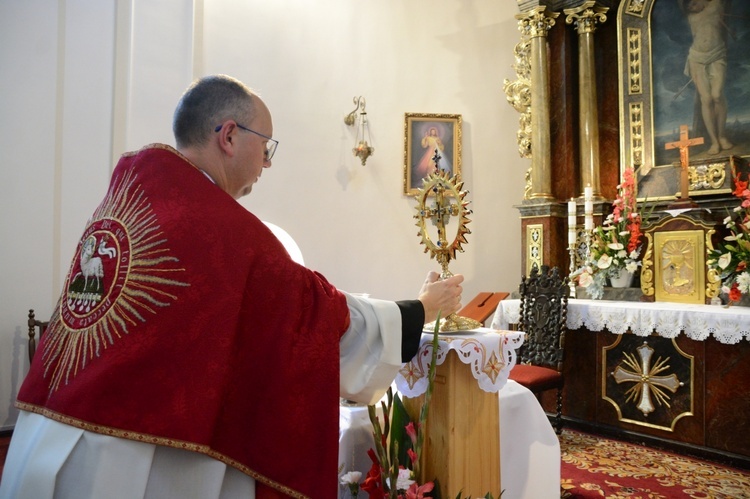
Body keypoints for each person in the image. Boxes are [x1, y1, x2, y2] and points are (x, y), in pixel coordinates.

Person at [0, 75, 464, 499]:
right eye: (266, 146)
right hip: (129, 466)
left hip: (47, 445)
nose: (266, 162)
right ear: (228, 136)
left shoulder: (132, 202)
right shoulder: (219, 231)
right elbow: (315, 318)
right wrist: (419, 309)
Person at [681, 0, 733, 155]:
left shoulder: (716, 5)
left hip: (717, 55)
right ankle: (714, 141)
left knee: (717, 95)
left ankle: (722, 136)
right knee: (706, 99)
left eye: (693, 3)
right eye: (689, 6)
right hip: (697, 58)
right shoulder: (691, 17)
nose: (691, 7)